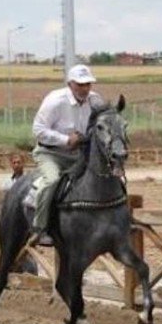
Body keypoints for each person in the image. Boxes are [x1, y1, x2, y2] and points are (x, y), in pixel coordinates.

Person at [30, 64, 99, 244]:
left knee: (100, 177)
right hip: (50, 153)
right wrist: (65, 140)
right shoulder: (55, 101)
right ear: (70, 84)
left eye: (88, 84)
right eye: (80, 84)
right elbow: (38, 130)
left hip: (78, 154)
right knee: (52, 180)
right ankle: (40, 227)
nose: (85, 88)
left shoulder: (95, 101)